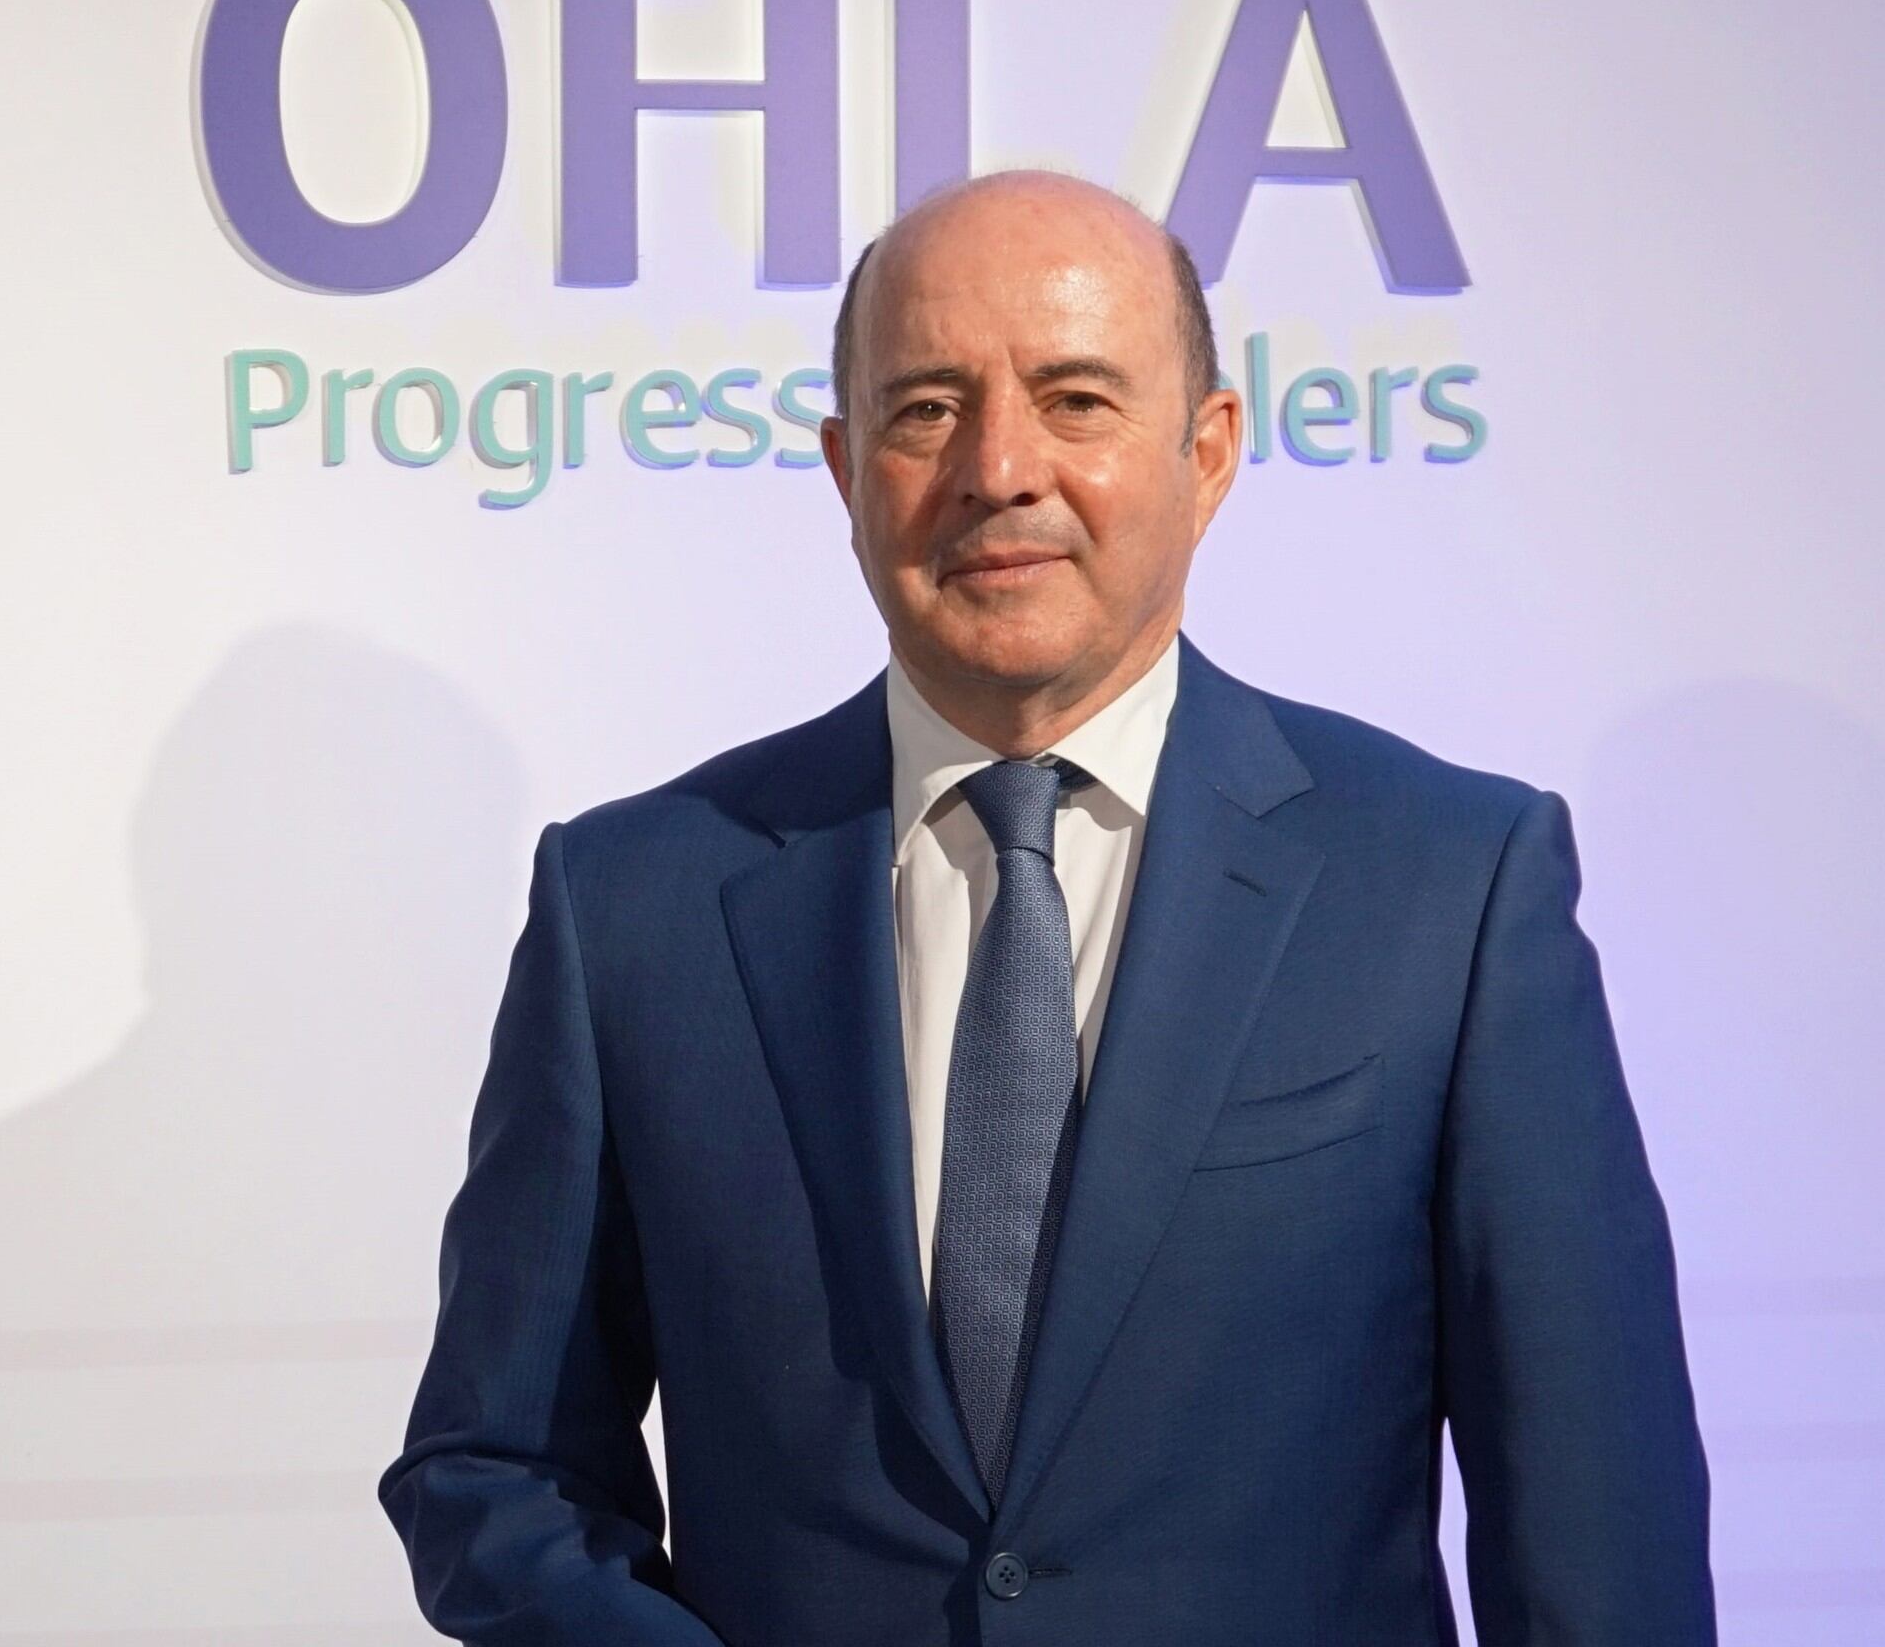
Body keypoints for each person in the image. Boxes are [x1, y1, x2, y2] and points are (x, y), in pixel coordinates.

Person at [383, 172, 1709, 1644]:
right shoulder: (635, 905)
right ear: (844, 471)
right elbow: (497, 1471)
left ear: (1209, 451)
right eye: (926, 410)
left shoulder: (1451, 885)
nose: (1000, 468)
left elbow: (1597, 1529)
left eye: (1076, 401)